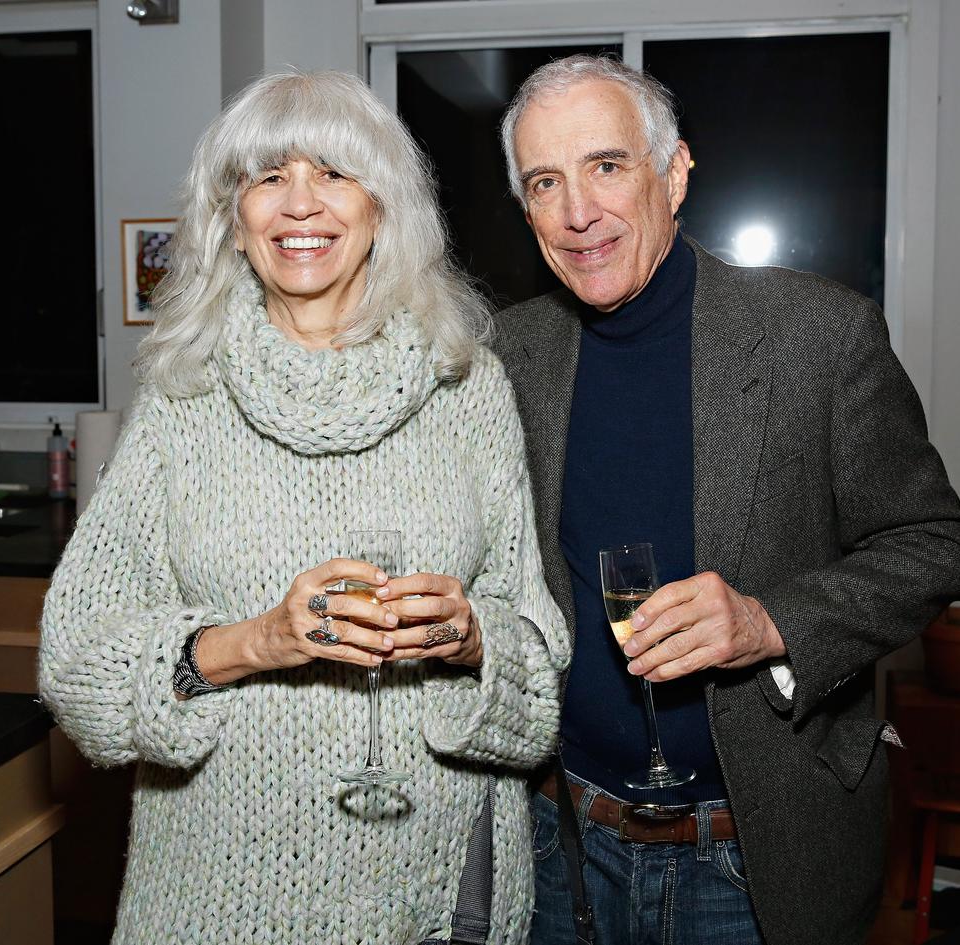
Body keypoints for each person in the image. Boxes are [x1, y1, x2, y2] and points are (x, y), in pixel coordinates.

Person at [37, 70, 568, 945]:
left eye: (333, 172)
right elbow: (77, 664)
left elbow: (541, 666)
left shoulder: (467, 388)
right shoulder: (183, 397)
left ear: (384, 210)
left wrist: (474, 639)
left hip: (436, 901)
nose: (300, 204)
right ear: (232, 222)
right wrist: (254, 644)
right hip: (219, 902)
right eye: (267, 177)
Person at [491, 55, 960, 945]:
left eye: (607, 165)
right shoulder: (506, 356)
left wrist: (768, 622)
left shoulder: (819, 336)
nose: (577, 212)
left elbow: (932, 542)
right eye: (545, 182)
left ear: (673, 174)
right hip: (563, 845)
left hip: (749, 859)